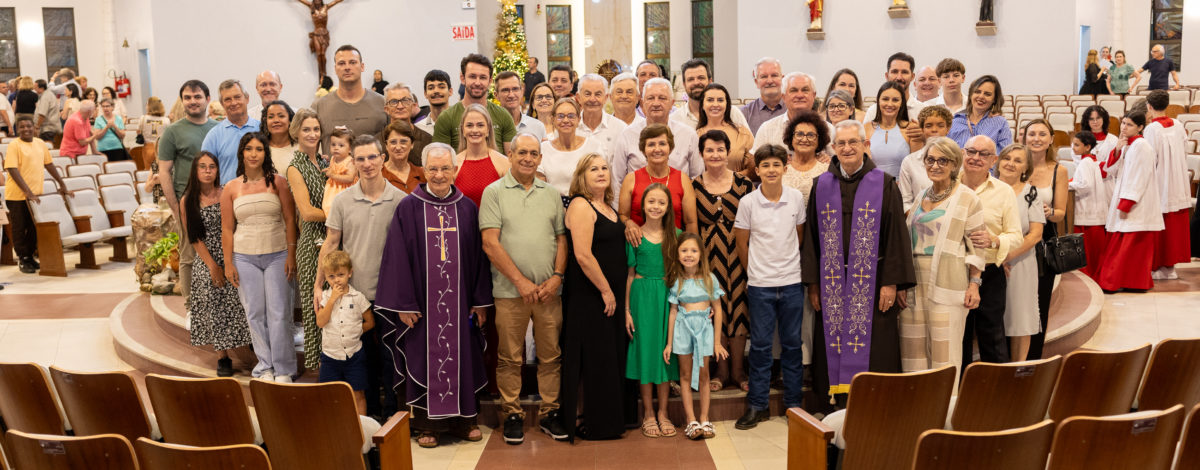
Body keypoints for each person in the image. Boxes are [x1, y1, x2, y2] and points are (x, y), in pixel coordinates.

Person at [375, 142, 490, 448]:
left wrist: (479, 301)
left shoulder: (467, 208)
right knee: (424, 358)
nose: (439, 175)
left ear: (454, 170)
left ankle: (465, 421)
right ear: (423, 171)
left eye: (445, 168)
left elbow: (479, 258)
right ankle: (428, 426)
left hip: (461, 302)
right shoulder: (408, 207)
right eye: (433, 169)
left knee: (462, 357)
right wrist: (403, 304)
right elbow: (396, 257)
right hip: (422, 306)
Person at [802, 120, 915, 412]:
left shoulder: (885, 184)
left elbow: (895, 236)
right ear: (834, 148)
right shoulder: (822, 186)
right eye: (841, 144)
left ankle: (875, 404)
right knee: (832, 340)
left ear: (865, 146)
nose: (847, 148)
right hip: (831, 284)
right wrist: (813, 283)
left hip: (873, 282)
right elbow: (812, 238)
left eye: (854, 142)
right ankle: (835, 405)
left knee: (876, 345)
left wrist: (891, 282)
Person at [480, 133, 570, 444]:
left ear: (540, 159)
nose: (528, 158)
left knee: (551, 356)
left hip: (548, 292)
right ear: (511, 154)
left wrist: (557, 276)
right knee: (509, 357)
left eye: (534, 153)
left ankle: (550, 413)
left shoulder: (550, 194)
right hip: (509, 292)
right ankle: (512, 414)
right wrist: (520, 281)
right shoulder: (494, 192)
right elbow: (490, 243)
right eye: (522, 153)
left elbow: (561, 238)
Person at [316, 134, 406, 421]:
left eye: (372, 157)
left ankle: (393, 414)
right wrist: (319, 286)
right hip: (354, 295)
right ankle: (371, 418)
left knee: (392, 359)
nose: (367, 164)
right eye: (361, 158)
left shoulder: (401, 201)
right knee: (362, 359)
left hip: (391, 294)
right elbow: (331, 243)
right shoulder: (342, 200)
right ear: (353, 163)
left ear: (383, 159)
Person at [898, 137, 983, 387]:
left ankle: (945, 411)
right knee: (913, 350)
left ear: (955, 164)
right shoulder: (920, 197)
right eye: (930, 160)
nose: (935, 165)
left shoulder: (968, 198)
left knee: (944, 354)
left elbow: (977, 245)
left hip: (948, 282)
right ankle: (916, 409)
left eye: (942, 160)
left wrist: (975, 284)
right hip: (915, 284)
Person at [733, 144, 807, 429]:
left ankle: (793, 406)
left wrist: (785, 265)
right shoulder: (748, 202)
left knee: (791, 346)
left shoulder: (796, 198)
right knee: (761, 347)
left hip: (790, 282)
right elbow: (742, 243)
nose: (771, 170)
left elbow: (798, 237)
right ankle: (758, 406)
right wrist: (755, 271)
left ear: (785, 168)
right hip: (761, 285)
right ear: (758, 170)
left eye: (776, 165)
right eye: (765, 165)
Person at [559, 153, 628, 441]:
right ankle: (587, 419)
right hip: (590, 293)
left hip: (609, 293)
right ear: (581, 176)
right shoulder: (579, 205)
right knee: (593, 356)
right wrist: (605, 290)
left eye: (604, 168)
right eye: (593, 169)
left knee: (608, 356)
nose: (601, 173)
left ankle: (608, 420)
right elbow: (583, 255)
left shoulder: (608, 206)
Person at [220, 133, 298, 382]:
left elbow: (289, 220)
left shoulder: (279, 182)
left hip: (278, 254)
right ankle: (264, 367)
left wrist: (291, 255)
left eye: (259, 149)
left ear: (266, 153)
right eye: (249, 149)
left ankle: (284, 368)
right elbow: (227, 228)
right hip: (244, 257)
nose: (254, 154)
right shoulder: (231, 188)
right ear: (242, 153)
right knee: (254, 313)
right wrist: (229, 262)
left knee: (279, 312)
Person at [691, 129, 753, 392]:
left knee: (739, 312)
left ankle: (738, 371)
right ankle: (721, 370)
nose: (715, 154)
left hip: (739, 254)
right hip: (708, 258)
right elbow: (691, 225)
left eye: (720, 149)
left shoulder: (745, 184)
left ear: (728, 152)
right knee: (715, 312)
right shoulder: (692, 186)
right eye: (709, 150)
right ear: (702, 154)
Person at [182, 152, 251, 377]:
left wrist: (230, 259)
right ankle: (223, 357)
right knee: (213, 293)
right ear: (195, 170)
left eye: (212, 166)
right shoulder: (188, 200)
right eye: (202, 166)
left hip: (232, 250)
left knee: (245, 293)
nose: (208, 170)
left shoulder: (226, 192)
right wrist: (212, 265)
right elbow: (194, 238)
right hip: (207, 256)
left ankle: (250, 341)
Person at [957, 135, 1022, 367]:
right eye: (971, 151)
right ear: (963, 153)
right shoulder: (948, 185)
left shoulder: (1004, 191)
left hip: (989, 274)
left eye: (983, 154)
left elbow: (1016, 236)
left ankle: (996, 395)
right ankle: (958, 394)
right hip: (953, 272)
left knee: (992, 336)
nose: (976, 158)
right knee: (957, 338)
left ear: (993, 160)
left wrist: (994, 240)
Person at [623, 182, 681, 438]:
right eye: (651, 202)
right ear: (642, 205)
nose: (656, 206)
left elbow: (686, 274)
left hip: (668, 298)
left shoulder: (677, 236)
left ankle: (664, 412)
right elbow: (630, 275)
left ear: (668, 207)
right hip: (642, 297)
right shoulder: (634, 235)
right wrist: (626, 309)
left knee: (665, 354)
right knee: (646, 354)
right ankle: (648, 413)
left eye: (661, 202)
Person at [158, 80, 217, 300]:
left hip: (216, 201)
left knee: (217, 254)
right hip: (187, 202)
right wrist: (175, 206)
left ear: (207, 99)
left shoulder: (217, 128)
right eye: (188, 98)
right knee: (189, 255)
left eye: (197, 97)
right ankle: (191, 307)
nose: (193, 102)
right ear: (182, 101)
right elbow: (164, 172)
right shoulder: (172, 132)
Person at [666, 232, 727, 440]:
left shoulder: (710, 278)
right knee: (684, 374)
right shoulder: (677, 280)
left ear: (701, 254)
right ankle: (691, 419)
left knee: (704, 375)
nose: (689, 255)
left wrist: (717, 342)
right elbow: (673, 311)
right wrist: (668, 343)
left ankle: (704, 417)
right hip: (683, 330)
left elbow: (718, 309)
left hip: (704, 330)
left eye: (693, 250)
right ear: (677, 254)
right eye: (684, 250)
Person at [1098, 111, 1163, 292]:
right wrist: (1118, 149)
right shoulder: (1128, 144)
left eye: (1129, 125)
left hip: (1136, 203)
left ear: (1140, 127)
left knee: (1129, 246)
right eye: (1123, 123)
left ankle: (1116, 282)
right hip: (1125, 195)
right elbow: (1111, 170)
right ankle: (1128, 282)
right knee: (1125, 245)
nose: (1124, 128)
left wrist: (1127, 201)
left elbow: (1139, 176)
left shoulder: (1142, 146)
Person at [285, 108, 329, 371]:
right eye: (306, 130)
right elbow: (307, 212)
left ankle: (335, 365)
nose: (312, 134)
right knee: (316, 308)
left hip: (332, 238)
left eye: (315, 129)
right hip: (312, 243)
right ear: (296, 132)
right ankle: (320, 369)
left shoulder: (325, 163)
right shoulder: (295, 167)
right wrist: (341, 214)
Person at [993, 144, 1044, 363]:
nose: (1010, 164)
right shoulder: (987, 188)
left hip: (1020, 262)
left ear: (1026, 168)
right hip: (989, 261)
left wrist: (1007, 256)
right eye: (1007, 158)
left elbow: (1035, 234)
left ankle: (1018, 366)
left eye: (1017, 160)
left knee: (1021, 316)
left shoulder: (1031, 193)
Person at [1022, 119, 1068, 361]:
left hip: (1044, 243)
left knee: (1039, 303)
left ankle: (1034, 359)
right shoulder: (1016, 164)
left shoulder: (1059, 170)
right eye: (1031, 134)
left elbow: (1061, 212)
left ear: (1051, 139)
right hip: (1018, 239)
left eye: (1042, 134)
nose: (1036, 138)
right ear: (1024, 137)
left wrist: (1050, 212)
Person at [4, 116, 67, 274]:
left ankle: (30, 255)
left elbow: (49, 164)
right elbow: (12, 169)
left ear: (34, 127)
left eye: (28, 126)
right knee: (20, 227)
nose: (26, 129)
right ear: (18, 129)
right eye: (22, 127)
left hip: (36, 195)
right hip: (17, 195)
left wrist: (62, 183)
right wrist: (27, 192)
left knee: (34, 227)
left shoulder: (40, 144)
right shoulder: (14, 145)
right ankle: (22, 258)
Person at [316, 250, 375, 415]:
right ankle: (333, 427)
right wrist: (333, 299)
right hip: (330, 356)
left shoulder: (358, 297)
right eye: (331, 276)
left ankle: (362, 428)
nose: (337, 280)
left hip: (354, 355)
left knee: (358, 393)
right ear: (326, 277)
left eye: (340, 274)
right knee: (329, 393)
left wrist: (356, 331)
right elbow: (320, 322)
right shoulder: (326, 297)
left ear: (350, 273)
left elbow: (370, 322)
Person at [612, 78, 703, 183]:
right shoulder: (627, 135)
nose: (656, 103)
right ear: (643, 102)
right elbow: (618, 180)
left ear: (672, 103)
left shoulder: (688, 135)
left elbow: (697, 177)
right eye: (650, 98)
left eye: (662, 98)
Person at [1142, 90, 1192, 280]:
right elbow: (1184, 152)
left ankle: (1157, 266)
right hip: (1177, 180)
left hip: (1160, 180)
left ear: (1149, 106)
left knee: (1161, 222)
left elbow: (1149, 158)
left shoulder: (1151, 129)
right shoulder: (1178, 125)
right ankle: (1170, 267)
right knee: (1174, 224)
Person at [618, 124, 698, 233]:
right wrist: (628, 222)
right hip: (640, 246)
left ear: (670, 147)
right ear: (643, 150)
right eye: (651, 145)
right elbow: (622, 215)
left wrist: (690, 248)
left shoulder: (683, 179)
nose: (657, 149)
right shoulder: (631, 179)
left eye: (662, 144)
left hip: (674, 245)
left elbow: (691, 222)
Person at [433, 54, 517, 151]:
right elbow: (440, 160)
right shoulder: (446, 118)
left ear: (490, 81)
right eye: (472, 77)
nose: (477, 83)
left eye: (483, 77)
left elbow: (512, 159)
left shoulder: (503, 116)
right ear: (462, 78)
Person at [311, 45, 387, 148]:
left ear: (362, 66)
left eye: (352, 62)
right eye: (341, 63)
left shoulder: (382, 103)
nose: (347, 67)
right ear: (335, 69)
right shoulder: (319, 106)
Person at [202, 80, 261, 184]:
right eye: (228, 99)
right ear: (222, 104)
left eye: (237, 97)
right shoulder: (214, 135)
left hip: (260, 195)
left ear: (247, 98)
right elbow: (205, 172)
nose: (233, 103)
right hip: (226, 197)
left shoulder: (262, 129)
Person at [539, 98, 600, 198]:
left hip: (587, 205)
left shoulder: (593, 146)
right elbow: (540, 188)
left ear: (578, 119)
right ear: (552, 119)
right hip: (552, 205)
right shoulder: (543, 149)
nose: (566, 120)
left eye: (571, 116)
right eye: (560, 116)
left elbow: (599, 183)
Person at [1068, 131, 1109, 281]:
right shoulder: (1090, 161)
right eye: (1073, 144)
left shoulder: (1086, 162)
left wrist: (1067, 185)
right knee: (1094, 250)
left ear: (1087, 146)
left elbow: (1085, 185)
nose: (1073, 148)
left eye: (1077, 145)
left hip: (1087, 212)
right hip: (1093, 211)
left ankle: (1088, 278)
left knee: (1087, 250)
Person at [898, 106, 953, 212]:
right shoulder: (910, 161)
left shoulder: (957, 160)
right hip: (917, 222)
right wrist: (919, 220)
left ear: (948, 128)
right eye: (928, 126)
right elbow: (905, 201)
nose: (934, 130)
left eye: (940, 126)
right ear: (922, 129)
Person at [454, 104, 511, 206]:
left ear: (488, 129)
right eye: (469, 125)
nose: (475, 130)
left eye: (480, 125)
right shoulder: (452, 164)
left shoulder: (504, 163)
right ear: (463, 130)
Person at [672, 59, 750, 130]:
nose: (696, 82)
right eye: (691, 79)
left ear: (710, 81)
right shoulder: (674, 119)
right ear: (684, 84)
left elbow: (749, 144)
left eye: (701, 78)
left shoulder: (732, 113)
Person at [752, 72, 819, 152]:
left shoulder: (829, 130)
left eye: (805, 90)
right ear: (784, 97)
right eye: (793, 91)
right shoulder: (766, 129)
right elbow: (754, 161)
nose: (800, 95)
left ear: (814, 95)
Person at [865, 53, 924, 140]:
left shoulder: (922, 110)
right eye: (894, 72)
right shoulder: (873, 111)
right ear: (886, 75)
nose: (899, 77)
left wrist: (924, 135)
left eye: (904, 72)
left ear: (912, 77)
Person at [696, 84, 755, 173]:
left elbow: (754, 169)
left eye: (720, 100)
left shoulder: (742, 133)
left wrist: (731, 180)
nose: (715, 104)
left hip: (738, 185)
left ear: (727, 104)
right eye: (710, 100)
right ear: (702, 105)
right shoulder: (694, 136)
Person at [865, 81, 917, 177]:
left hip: (901, 189)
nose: (890, 104)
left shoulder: (911, 129)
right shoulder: (866, 128)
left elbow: (916, 168)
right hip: (872, 187)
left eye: (895, 100)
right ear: (878, 101)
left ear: (902, 103)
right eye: (885, 99)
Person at [949, 75, 1013, 149]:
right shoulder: (956, 121)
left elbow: (1004, 153)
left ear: (994, 99)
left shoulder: (1000, 122)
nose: (981, 96)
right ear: (971, 95)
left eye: (987, 94)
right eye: (977, 92)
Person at [782, 110, 830, 200]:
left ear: (819, 139)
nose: (804, 139)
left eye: (811, 135)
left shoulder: (827, 169)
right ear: (791, 137)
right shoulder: (781, 167)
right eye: (799, 134)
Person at [576, 74, 627, 159]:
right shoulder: (570, 128)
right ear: (578, 97)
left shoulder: (620, 128)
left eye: (598, 94)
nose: (592, 99)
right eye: (587, 94)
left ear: (606, 98)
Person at [381, 82, 432, 166]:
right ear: (386, 109)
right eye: (393, 102)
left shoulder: (427, 141)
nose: (400, 106)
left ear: (413, 106)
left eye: (405, 101)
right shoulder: (377, 143)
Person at [495, 71, 546, 142]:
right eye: (505, 90)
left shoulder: (537, 126)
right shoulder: (490, 127)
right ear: (496, 95)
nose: (511, 95)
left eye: (515, 89)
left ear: (522, 92)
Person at [380, 119, 426, 193]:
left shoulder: (423, 174)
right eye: (393, 142)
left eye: (403, 142)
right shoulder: (378, 174)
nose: (398, 147)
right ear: (386, 145)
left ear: (412, 144)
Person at [742, 57, 786, 135]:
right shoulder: (745, 114)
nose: (769, 81)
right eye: (764, 77)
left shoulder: (794, 110)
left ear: (782, 79)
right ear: (756, 82)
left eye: (774, 75)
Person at [322, 127, 358, 214]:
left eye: (341, 145)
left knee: (344, 211)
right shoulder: (333, 158)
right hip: (332, 190)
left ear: (350, 149)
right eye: (333, 144)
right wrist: (325, 161)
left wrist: (333, 175)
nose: (336, 148)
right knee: (328, 207)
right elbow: (332, 168)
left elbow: (350, 178)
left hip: (346, 191)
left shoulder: (350, 161)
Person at [259, 100, 296, 172]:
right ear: (265, 121)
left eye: (281, 116)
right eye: (271, 117)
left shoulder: (301, 147)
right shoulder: (260, 149)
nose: (276, 120)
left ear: (290, 120)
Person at [415, 69, 452, 136]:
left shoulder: (462, 123)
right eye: (431, 88)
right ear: (425, 94)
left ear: (450, 91)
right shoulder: (418, 129)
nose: (436, 91)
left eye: (441, 87)